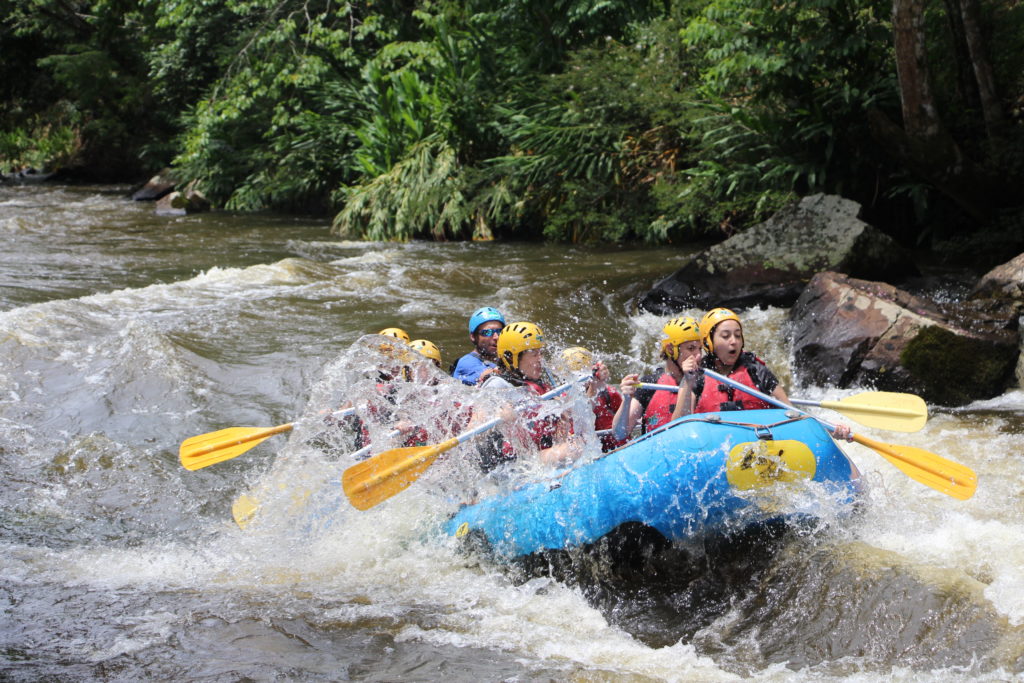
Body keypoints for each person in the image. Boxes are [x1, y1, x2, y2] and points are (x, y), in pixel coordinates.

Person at [685, 307, 853, 440]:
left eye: (738, 335)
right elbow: (682, 423)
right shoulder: (698, 375)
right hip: (715, 444)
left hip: (756, 441)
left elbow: (792, 413)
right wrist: (686, 382)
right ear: (709, 342)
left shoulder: (756, 370)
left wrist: (830, 430)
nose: (733, 341)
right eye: (725, 336)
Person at [476, 322, 580, 468]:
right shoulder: (497, 386)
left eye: (540, 353)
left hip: (535, 458)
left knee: (576, 444)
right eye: (533, 354)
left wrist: (564, 417)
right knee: (571, 450)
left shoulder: (541, 387)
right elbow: (473, 433)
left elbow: (557, 438)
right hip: (508, 465)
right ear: (511, 357)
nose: (540, 359)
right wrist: (498, 417)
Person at [611, 316, 703, 442]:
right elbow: (619, 434)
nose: (698, 355)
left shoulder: (704, 381)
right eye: (691, 348)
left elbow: (682, 432)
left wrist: (688, 381)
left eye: (700, 349)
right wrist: (627, 399)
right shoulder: (651, 383)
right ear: (671, 349)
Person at [561, 346, 625, 452]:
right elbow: (584, 411)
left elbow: (625, 417)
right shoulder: (565, 401)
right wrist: (593, 386)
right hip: (589, 450)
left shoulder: (608, 392)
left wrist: (595, 384)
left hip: (616, 446)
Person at [452, 307, 505, 385]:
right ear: (473, 336)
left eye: (500, 331)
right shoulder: (466, 362)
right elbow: (486, 377)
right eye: (487, 332)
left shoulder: (505, 358)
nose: (496, 337)